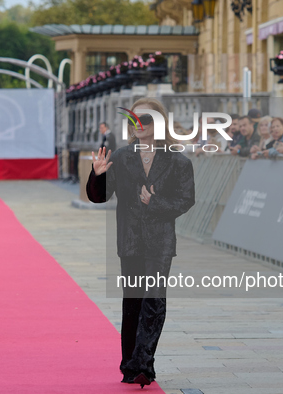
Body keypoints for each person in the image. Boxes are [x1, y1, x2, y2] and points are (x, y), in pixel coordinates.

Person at [86, 97, 195, 387]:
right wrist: (97, 175)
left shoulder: (177, 160)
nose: (138, 124)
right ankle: (129, 365)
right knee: (133, 301)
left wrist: (155, 203)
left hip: (160, 241)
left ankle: (144, 362)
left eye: (145, 119)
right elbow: (100, 196)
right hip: (130, 239)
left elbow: (186, 200)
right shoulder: (121, 157)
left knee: (154, 299)